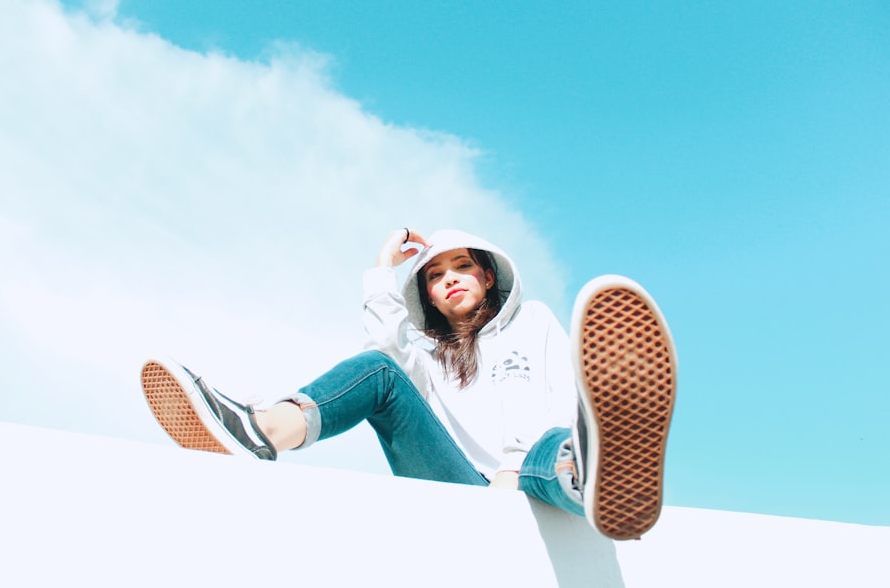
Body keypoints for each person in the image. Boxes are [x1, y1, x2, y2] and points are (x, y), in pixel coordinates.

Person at [140, 228, 677, 540]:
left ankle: (592, 474)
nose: (449, 278)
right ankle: (259, 431)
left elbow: (563, 391)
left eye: (461, 266)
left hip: (538, 477)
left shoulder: (533, 321)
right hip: (463, 494)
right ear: (429, 295)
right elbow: (384, 354)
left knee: (550, 448)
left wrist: (514, 473)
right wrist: (381, 269)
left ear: (487, 275)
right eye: (435, 275)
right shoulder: (431, 364)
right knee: (379, 371)